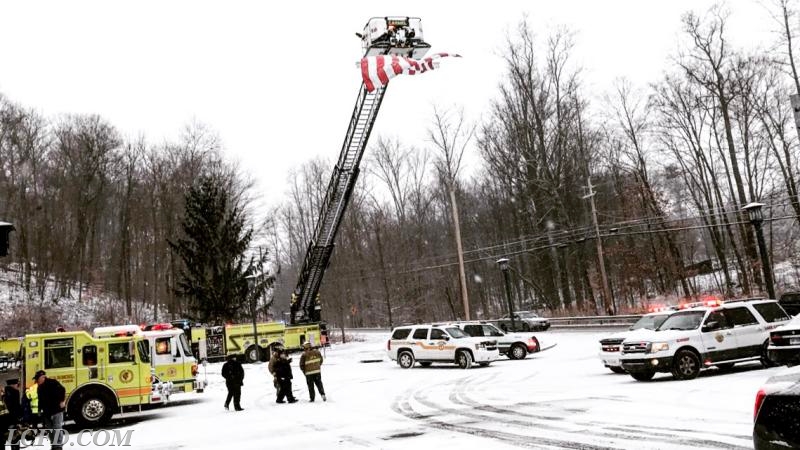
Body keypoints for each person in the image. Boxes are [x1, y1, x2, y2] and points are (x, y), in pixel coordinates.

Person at [34, 371, 65, 450]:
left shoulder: (52, 383)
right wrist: (39, 410)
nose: (36, 381)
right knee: (50, 429)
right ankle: (54, 445)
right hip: (47, 411)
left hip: (56, 410)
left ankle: (58, 446)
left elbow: (62, 390)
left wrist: (62, 401)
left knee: (57, 428)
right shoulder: (39, 387)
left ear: (42, 377)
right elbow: (40, 400)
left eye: (37, 379)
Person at [2, 378, 22, 450]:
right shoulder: (15, 392)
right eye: (17, 384)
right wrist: (19, 419)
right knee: (14, 439)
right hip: (12, 420)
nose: (18, 386)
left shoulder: (3, 393)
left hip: (2, 421)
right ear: (13, 385)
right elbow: (16, 407)